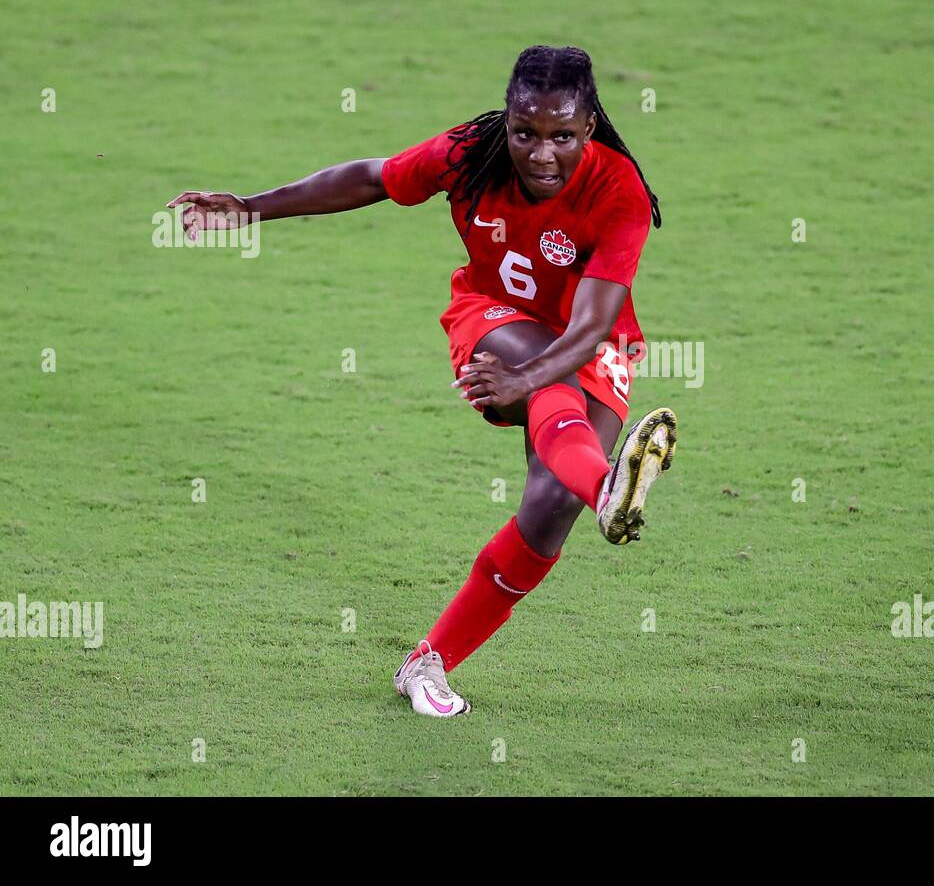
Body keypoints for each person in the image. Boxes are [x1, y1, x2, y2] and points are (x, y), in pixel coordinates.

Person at [167, 45, 677, 718]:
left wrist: (525, 375)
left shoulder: (619, 192)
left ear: (589, 127)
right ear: (508, 120)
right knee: (547, 393)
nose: (540, 152)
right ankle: (608, 487)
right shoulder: (469, 151)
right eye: (525, 132)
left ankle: (426, 661)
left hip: (586, 340)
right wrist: (251, 208)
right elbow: (372, 178)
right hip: (494, 318)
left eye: (561, 136)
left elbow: (586, 332)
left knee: (549, 508)